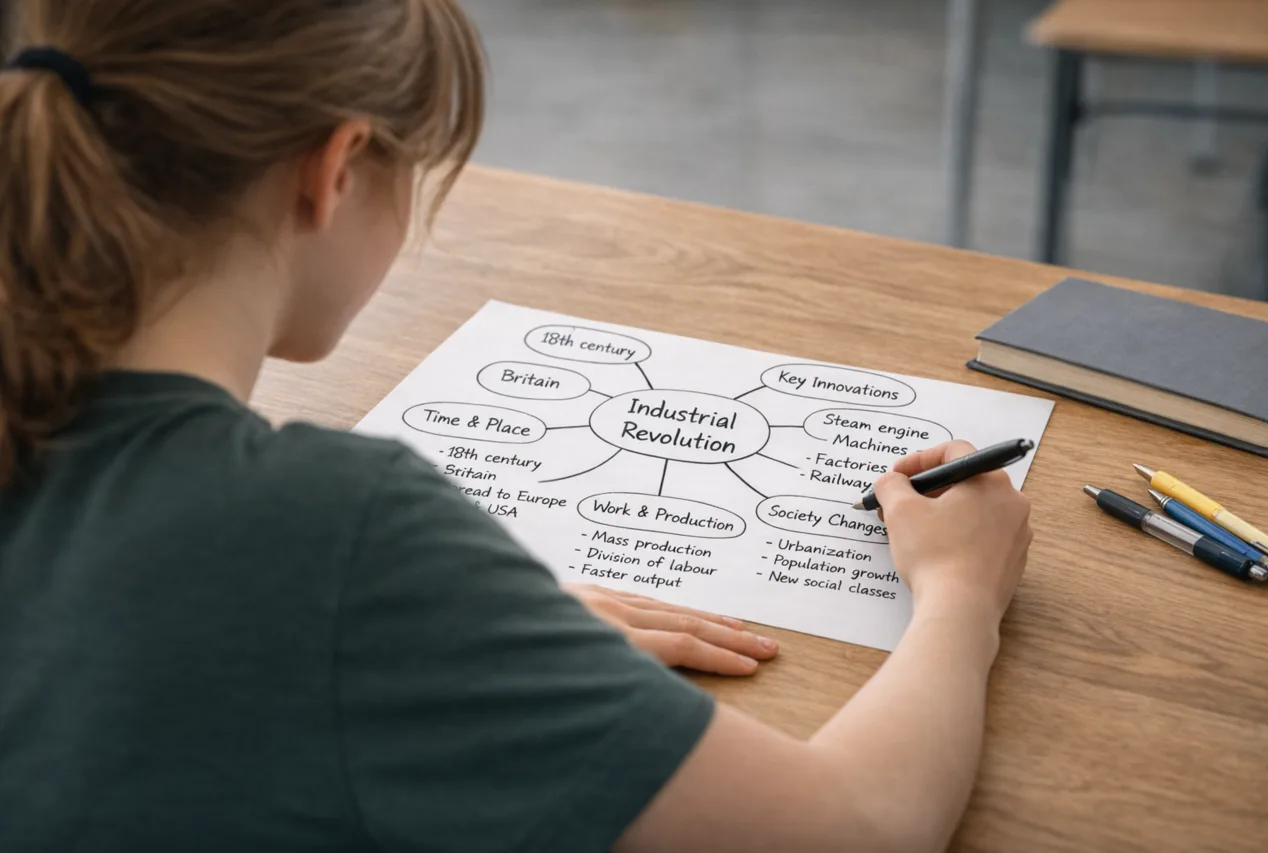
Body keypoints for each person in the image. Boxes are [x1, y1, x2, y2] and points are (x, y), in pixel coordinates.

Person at [0, 1, 1033, 851]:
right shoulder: (330, 529)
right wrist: (962, 591)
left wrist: (457, 636)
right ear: (336, 170)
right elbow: (854, 828)